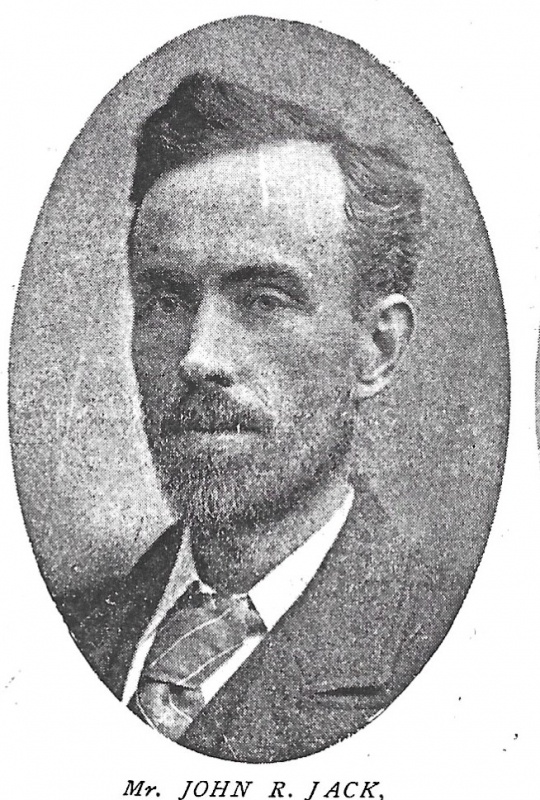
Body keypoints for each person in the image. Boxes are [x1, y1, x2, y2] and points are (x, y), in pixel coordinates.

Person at [62, 72, 432, 762]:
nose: (197, 358)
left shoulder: (455, 648)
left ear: (376, 349)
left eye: (262, 300)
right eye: (167, 299)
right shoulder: (62, 632)